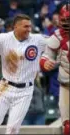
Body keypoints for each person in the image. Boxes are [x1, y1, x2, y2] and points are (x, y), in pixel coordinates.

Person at [0, 14, 47, 134]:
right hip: (6, 87)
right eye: (26, 26)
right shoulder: (3, 38)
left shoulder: (38, 39)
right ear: (16, 26)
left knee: (13, 130)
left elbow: (55, 42)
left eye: (30, 26)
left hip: (25, 90)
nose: (29, 29)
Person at [40, 4, 70, 135]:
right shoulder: (57, 36)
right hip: (66, 83)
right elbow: (46, 56)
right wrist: (45, 63)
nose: (67, 23)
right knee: (67, 125)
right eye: (65, 20)